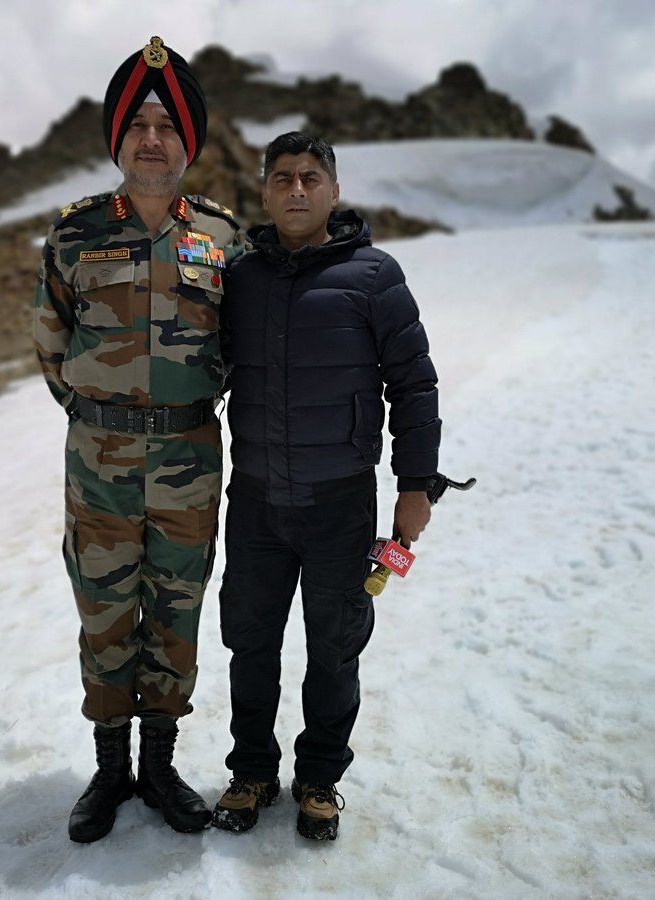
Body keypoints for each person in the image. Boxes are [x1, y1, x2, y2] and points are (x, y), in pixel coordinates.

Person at [33, 35, 244, 844]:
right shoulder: (77, 234)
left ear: (188, 142)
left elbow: (246, 343)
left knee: (176, 614)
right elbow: (51, 346)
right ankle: (111, 765)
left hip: (191, 459)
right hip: (101, 465)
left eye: (167, 125)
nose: (151, 138)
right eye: (137, 125)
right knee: (104, 614)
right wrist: (102, 418)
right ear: (118, 141)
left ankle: (160, 762)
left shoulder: (224, 239)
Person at [212, 132, 442, 841]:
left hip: (340, 502)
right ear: (265, 192)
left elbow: (414, 384)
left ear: (334, 190)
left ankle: (319, 780)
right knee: (249, 642)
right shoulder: (239, 279)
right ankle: (252, 771)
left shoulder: (374, 276)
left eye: (311, 177)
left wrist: (417, 485)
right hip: (253, 500)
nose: (298, 190)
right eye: (283, 178)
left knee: (334, 647)